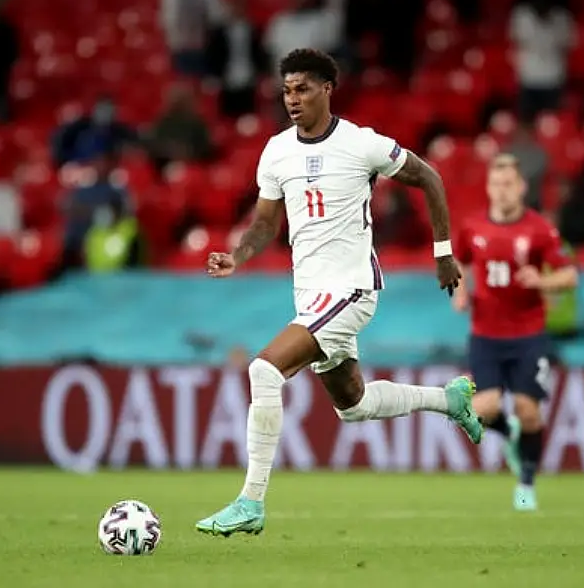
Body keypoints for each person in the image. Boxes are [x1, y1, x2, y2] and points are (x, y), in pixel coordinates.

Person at [195, 49, 483, 537]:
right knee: (353, 405)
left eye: (303, 88)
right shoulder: (277, 151)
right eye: (286, 90)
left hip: (351, 290)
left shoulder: (361, 144)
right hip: (310, 298)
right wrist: (238, 255)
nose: (293, 99)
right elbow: (266, 222)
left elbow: (429, 177)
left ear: (329, 88)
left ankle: (250, 501)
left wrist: (443, 252)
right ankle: (448, 399)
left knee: (264, 371)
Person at [452, 153, 579, 511]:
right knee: (483, 409)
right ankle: (510, 437)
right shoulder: (473, 227)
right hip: (485, 335)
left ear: (521, 187)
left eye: (508, 184)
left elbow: (570, 275)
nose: (502, 191)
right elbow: (459, 260)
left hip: (528, 336)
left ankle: (526, 483)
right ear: (488, 188)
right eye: (496, 184)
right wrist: (461, 291)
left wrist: (541, 280)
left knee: (529, 411)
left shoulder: (539, 229)